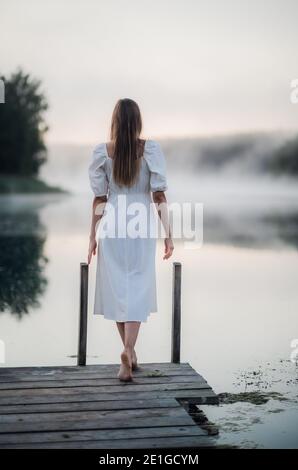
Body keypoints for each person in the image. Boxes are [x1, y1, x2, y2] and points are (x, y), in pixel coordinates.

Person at [88, 98, 174, 381]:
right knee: (137, 285)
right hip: (140, 223)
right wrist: (168, 235)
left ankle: (129, 353)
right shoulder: (150, 149)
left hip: (112, 221)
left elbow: (99, 199)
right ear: (138, 121)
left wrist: (92, 237)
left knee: (116, 288)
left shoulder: (103, 152)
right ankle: (129, 349)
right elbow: (158, 196)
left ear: (115, 120)